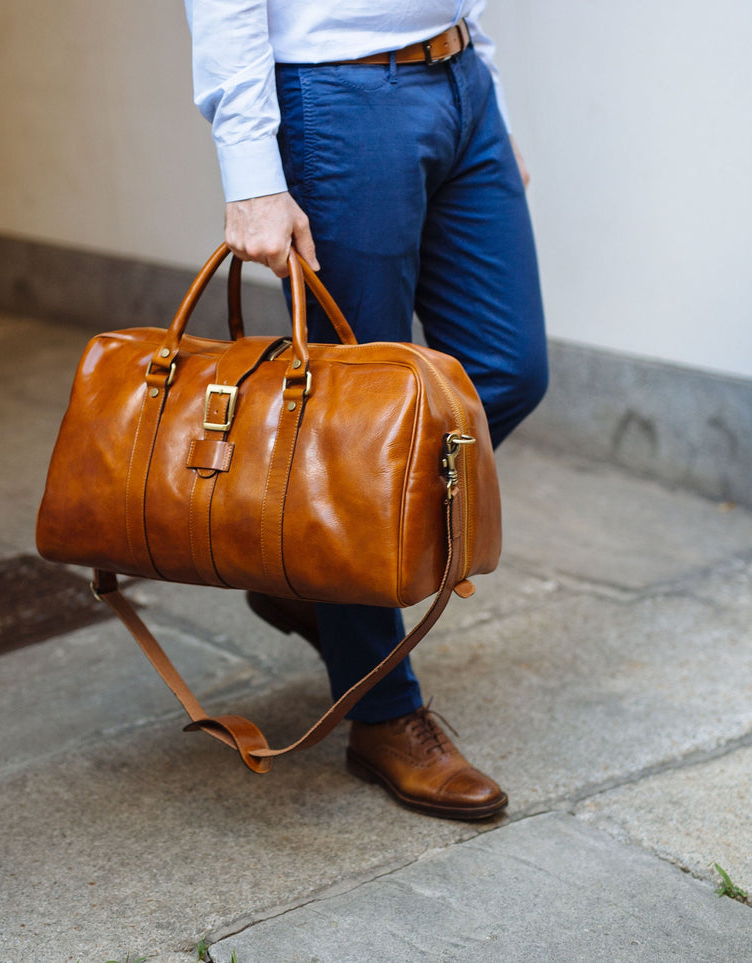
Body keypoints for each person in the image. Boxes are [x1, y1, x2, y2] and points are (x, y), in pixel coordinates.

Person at [185, 0, 548, 820]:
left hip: (459, 82)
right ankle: (380, 710)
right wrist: (251, 172)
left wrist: (483, 88)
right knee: (355, 428)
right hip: (341, 100)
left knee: (507, 369)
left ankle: (318, 575)